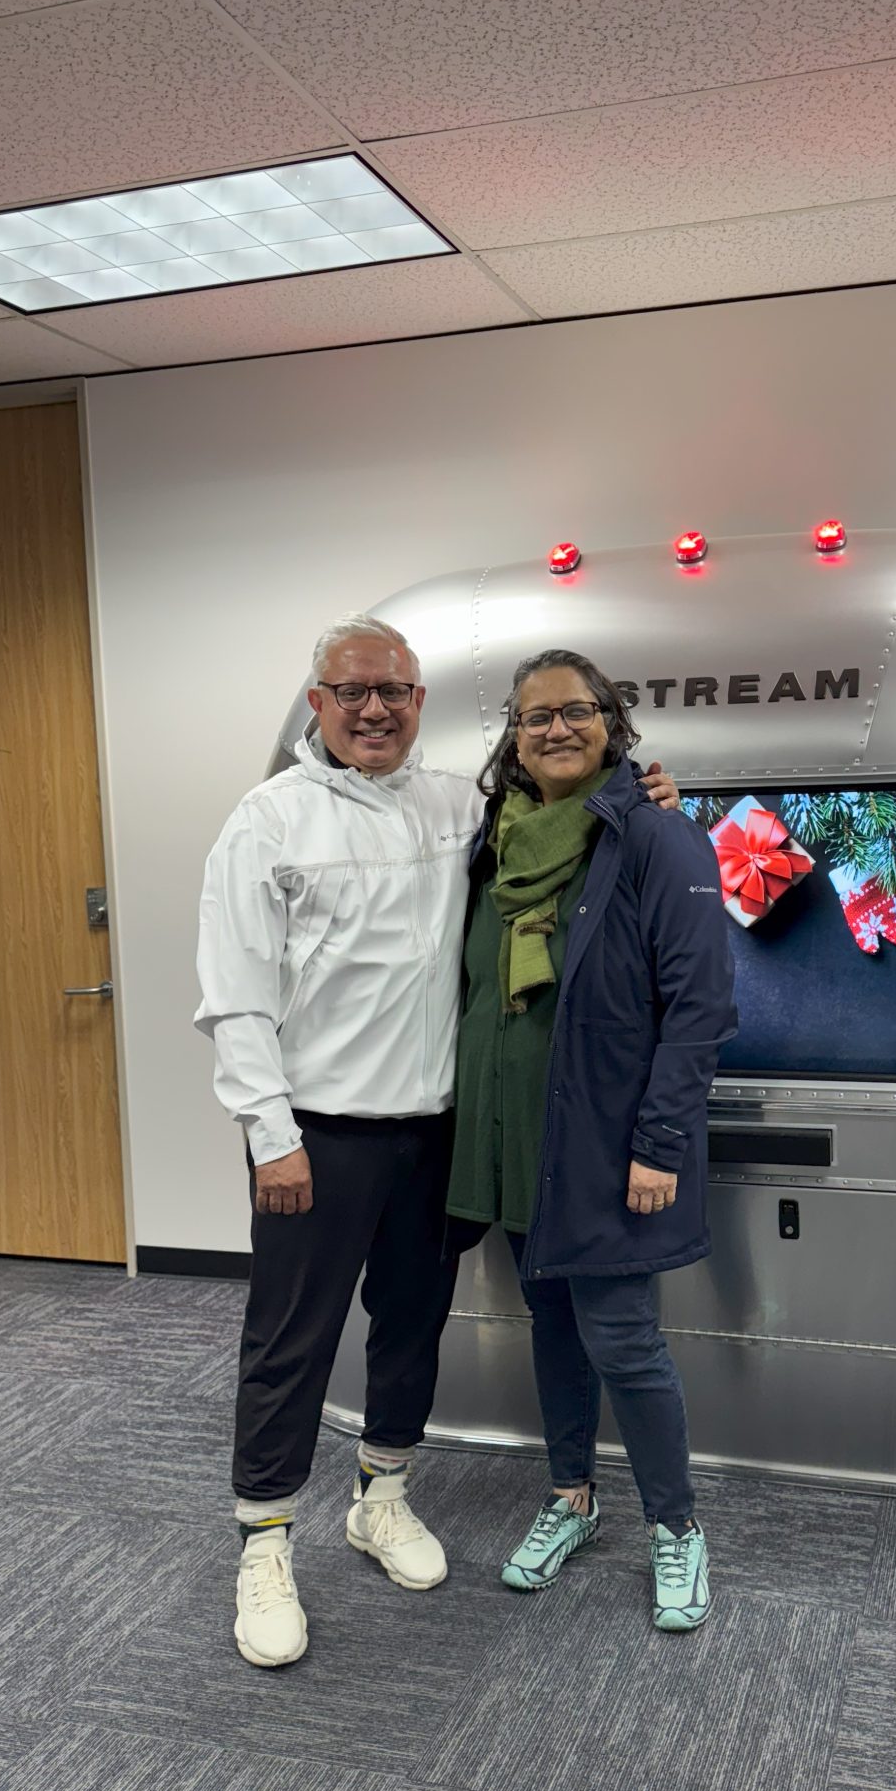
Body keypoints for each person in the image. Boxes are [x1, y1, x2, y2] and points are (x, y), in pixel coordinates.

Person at [196, 615, 679, 1669]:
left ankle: (383, 1496)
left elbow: (565, 830)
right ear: (318, 702)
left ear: (420, 701)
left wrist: (644, 799)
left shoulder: (464, 806)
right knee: (290, 1342)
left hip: (434, 1134)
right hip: (315, 1136)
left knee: (412, 1325)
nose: (374, 710)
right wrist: (269, 1136)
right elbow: (234, 997)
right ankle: (265, 1543)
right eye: (352, 691)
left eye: (394, 691)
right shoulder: (268, 820)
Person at [446, 649, 736, 1631]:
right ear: (514, 737)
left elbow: (700, 1006)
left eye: (576, 710)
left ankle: (677, 1526)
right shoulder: (493, 841)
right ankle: (570, 1497)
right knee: (555, 1327)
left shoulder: (656, 836)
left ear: (612, 722)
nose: (556, 728)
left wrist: (660, 1140)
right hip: (516, 1139)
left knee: (624, 1340)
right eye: (535, 716)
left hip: (610, 1148)